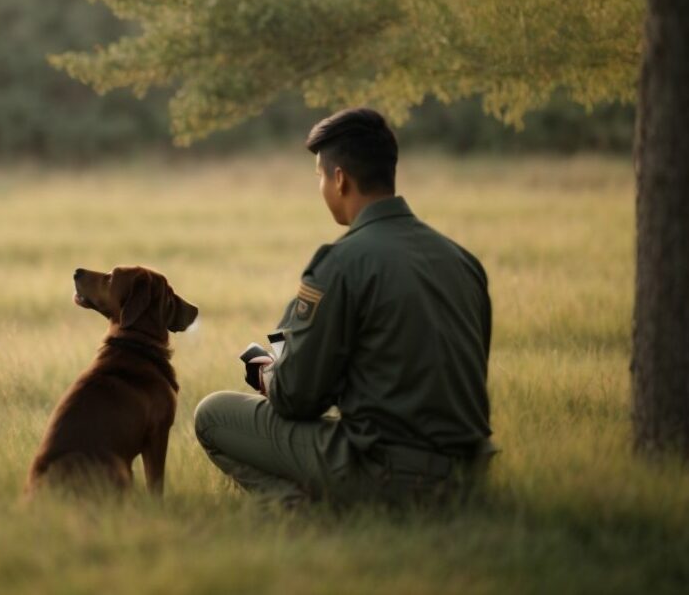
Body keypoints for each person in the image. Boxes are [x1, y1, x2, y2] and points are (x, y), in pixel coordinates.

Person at [194, 107, 497, 508]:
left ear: (339, 179)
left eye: (319, 177)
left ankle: (308, 512)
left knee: (212, 414)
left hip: (388, 472)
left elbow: (297, 399)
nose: (321, 187)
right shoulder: (463, 260)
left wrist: (265, 371)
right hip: (469, 475)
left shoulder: (340, 263)